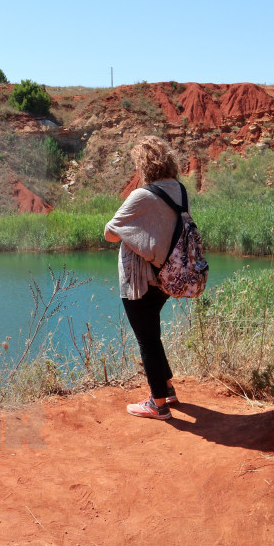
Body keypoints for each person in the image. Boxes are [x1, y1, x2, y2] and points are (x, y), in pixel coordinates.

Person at [103, 136, 186, 420]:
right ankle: (168, 388)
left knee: (146, 340)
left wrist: (132, 233)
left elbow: (109, 232)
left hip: (139, 280)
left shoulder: (142, 195)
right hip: (167, 275)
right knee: (152, 334)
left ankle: (158, 404)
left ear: (144, 164)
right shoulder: (179, 190)